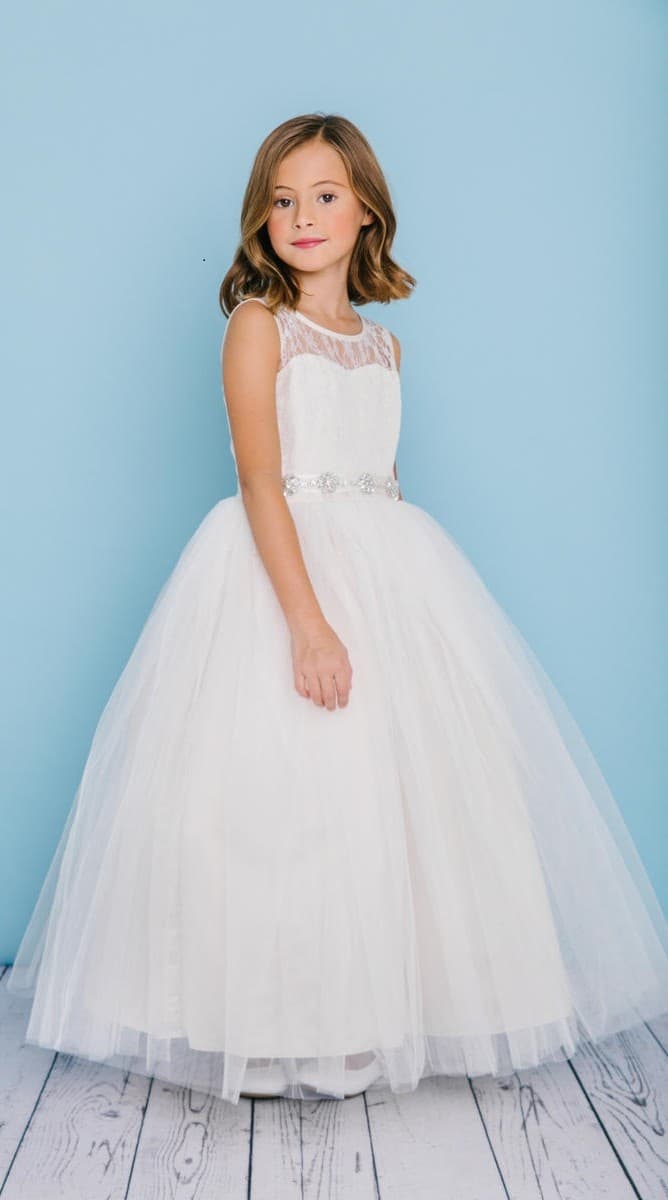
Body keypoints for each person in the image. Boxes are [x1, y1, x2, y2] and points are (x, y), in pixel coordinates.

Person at [7, 112, 668, 1106]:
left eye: (322, 196)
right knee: (276, 805)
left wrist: (395, 612)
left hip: (389, 571)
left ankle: (364, 1017)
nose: (300, 216)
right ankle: (266, 1027)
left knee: (387, 804)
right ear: (260, 218)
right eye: (281, 200)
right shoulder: (256, 327)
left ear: (365, 211)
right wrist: (308, 622)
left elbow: (382, 484)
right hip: (279, 573)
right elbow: (263, 484)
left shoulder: (385, 348)